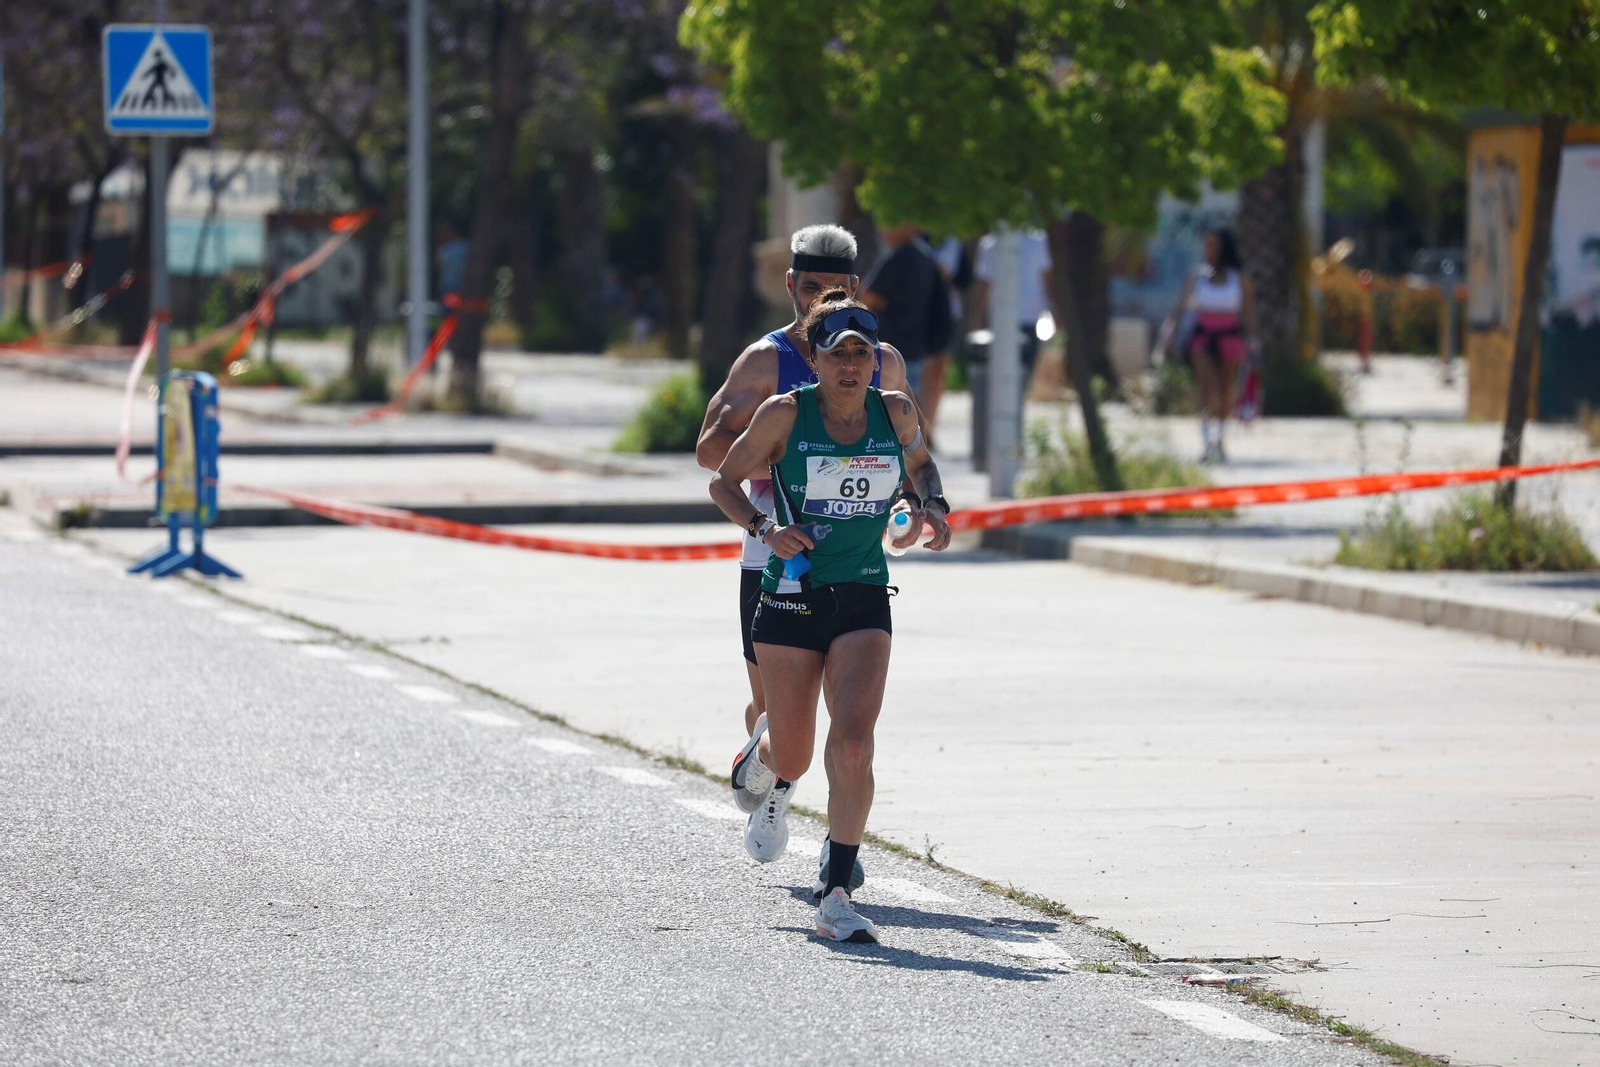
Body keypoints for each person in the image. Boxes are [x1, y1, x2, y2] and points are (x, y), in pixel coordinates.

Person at [709, 292, 952, 942]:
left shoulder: (895, 410)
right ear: (814, 357)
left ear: (875, 360)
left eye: (862, 353)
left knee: (851, 741)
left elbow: (921, 467)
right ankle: (760, 754)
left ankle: (836, 890)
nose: (851, 365)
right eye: (838, 353)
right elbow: (721, 481)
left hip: (863, 593)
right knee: (795, 756)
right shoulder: (784, 412)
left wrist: (932, 510)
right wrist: (766, 526)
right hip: (790, 593)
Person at [1159, 228, 1258, 463]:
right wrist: (1170, 330)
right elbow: (1180, 306)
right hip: (1203, 336)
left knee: (1226, 387)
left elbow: (1248, 313)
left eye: (1213, 245)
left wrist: (1254, 339)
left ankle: (1220, 439)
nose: (1208, 250)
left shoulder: (1238, 278)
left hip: (1230, 336)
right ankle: (1205, 440)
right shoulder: (1197, 276)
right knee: (1205, 385)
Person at [862, 224, 949, 405]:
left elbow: (868, 297)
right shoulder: (926, 257)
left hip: (889, 346)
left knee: (885, 404)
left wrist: (883, 303)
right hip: (916, 346)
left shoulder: (898, 257)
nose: (883, 230)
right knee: (906, 403)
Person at [972, 229, 1054, 410]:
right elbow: (985, 285)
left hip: (1027, 319)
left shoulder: (1037, 241)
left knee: (1020, 373)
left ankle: (1013, 412)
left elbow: (1047, 279)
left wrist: (978, 320)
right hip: (1006, 321)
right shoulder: (991, 243)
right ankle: (1009, 411)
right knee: (1010, 374)